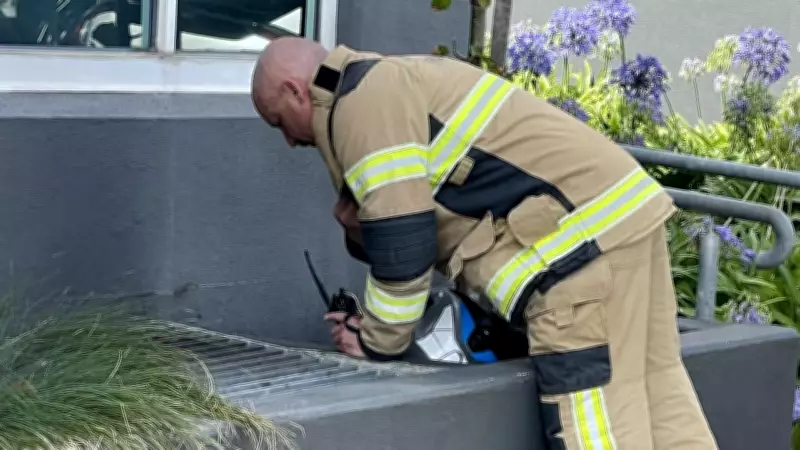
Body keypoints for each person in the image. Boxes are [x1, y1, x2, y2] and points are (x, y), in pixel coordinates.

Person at [250, 36, 719, 450]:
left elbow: (404, 246)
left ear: (295, 91)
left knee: (596, 427)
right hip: (623, 225)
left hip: (578, 264)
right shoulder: (395, 79)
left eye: (278, 123)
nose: (290, 141)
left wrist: (374, 341)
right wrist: (361, 232)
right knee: (662, 402)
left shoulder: (363, 104)